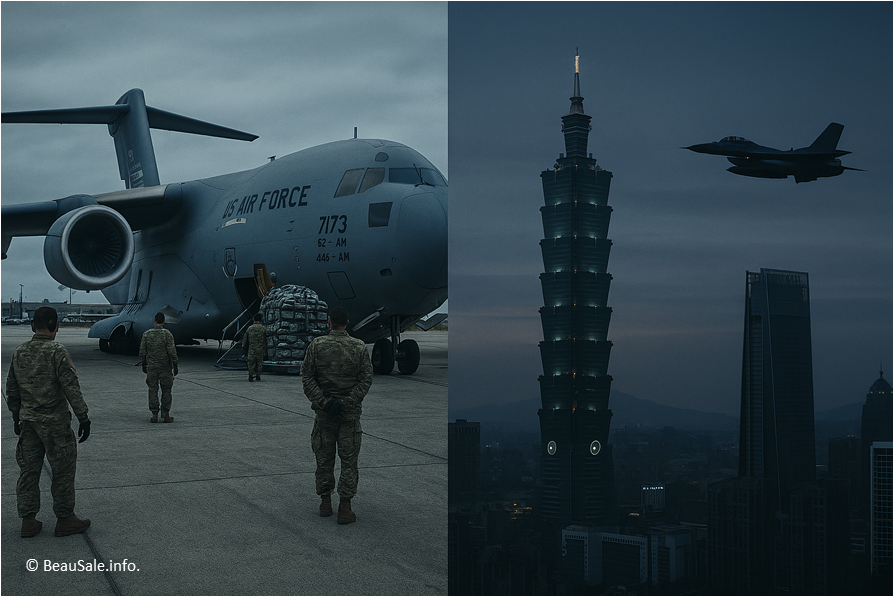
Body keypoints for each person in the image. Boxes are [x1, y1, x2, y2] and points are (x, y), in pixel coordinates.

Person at [6, 306, 92, 538]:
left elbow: (12, 389)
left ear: (33, 325)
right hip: (55, 425)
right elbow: (71, 387)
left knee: (28, 472)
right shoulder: (57, 352)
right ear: (55, 325)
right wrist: (83, 417)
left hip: (29, 423)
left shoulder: (19, 351)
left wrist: (16, 416)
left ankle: (28, 521)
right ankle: (65, 519)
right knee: (63, 471)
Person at [300, 306, 373, 524]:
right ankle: (345, 507)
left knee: (324, 459)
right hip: (349, 416)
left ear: (329, 322)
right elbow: (366, 379)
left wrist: (324, 402)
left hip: (324, 415)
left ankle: (325, 503)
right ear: (347, 323)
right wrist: (347, 402)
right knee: (349, 461)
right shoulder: (359, 347)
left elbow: (307, 378)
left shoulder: (316, 345)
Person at [139, 312, 178, 423]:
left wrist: (144, 364)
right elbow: (172, 351)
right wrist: (175, 365)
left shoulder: (147, 334)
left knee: (152, 390)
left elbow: (142, 352)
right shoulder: (167, 334)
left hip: (152, 367)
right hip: (165, 367)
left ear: (154, 320)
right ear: (164, 321)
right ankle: (166, 414)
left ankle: (154, 414)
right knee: (166, 390)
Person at [243, 313, 267, 381]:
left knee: (250, 363)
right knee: (259, 363)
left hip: (252, 349)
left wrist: (244, 347)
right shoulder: (263, 328)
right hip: (260, 349)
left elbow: (245, 339)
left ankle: (250, 375)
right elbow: (266, 338)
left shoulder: (250, 328)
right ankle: (258, 375)